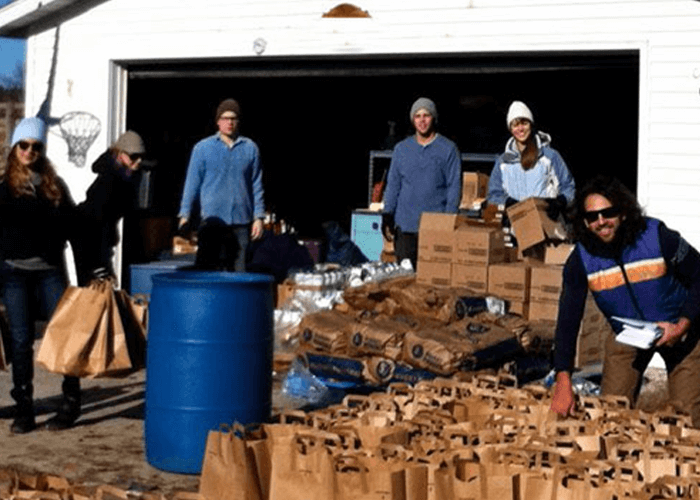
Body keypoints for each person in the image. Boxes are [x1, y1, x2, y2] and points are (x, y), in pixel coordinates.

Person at [550, 175, 700, 427]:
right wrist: (562, 379)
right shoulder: (580, 260)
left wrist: (682, 324)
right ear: (584, 223)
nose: (601, 222)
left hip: (680, 329)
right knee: (610, 414)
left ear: (623, 213)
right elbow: (568, 318)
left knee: (686, 420)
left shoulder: (658, 237)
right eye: (592, 217)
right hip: (628, 334)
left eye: (608, 213)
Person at [0, 117, 81, 433]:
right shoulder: (4, 189)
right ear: (14, 148)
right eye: (24, 145)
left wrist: (96, 264)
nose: (29, 151)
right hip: (14, 274)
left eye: (36, 146)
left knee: (64, 336)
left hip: (49, 272)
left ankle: (71, 403)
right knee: (21, 342)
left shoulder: (54, 187)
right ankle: (24, 408)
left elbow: (76, 226)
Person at [178, 98, 265, 271]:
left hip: (241, 222)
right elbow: (192, 184)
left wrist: (259, 217)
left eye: (233, 118)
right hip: (212, 222)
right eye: (225, 118)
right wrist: (185, 215)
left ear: (238, 121)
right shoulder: (202, 149)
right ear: (218, 121)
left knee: (239, 273)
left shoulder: (250, 148)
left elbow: (256, 184)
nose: (229, 122)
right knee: (207, 271)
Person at [382, 97, 461, 269]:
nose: (422, 120)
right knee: (405, 279)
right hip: (405, 226)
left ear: (434, 118)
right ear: (412, 119)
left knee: (432, 279)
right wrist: (388, 213)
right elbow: (393, 184)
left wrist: (448, 221)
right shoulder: (401, 149)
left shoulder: (448, 149)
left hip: (435, 226)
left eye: (426, 115)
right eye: (417, 116)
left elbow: (454, 187)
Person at [74, 130, 146, 285]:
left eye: (141, 157)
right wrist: (99, 264)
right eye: (133, 156)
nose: (138, 161)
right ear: (120, 154)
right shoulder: (110, 180)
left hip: (97, 235)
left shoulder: (127, 177)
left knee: (99, 287)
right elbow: (97, 222)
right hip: (86, 234)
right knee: (93, 288)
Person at [487, 100, 575, 220]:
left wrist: (560, 202)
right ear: (510, 129)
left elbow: (568, 187)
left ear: (531, 124)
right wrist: (508, 202)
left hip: (546, 221)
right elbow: (493, 194)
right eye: (515, 125)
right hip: (516, 223)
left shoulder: (549, 156)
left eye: (524, 123)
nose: (520, 129)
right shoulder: (503, 162)